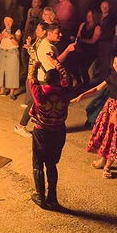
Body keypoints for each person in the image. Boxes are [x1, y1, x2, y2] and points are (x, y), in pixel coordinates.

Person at [72, 55, 117, 179]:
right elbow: (97, 88)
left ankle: (107, 165)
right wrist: (82, 95)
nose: (116, 65)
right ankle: (102, 160)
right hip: (109, 107)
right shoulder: (113, 75)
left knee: (115, 138)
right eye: (115, 63)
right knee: (105, 135)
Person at [28, 58, 74, 209]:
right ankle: (52, 197)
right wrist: (57, 63)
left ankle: (40, 197)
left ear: (45, 81)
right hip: (59, 131)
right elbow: (67, 76)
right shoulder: (66, 91)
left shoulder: (40, 93)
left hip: (42, 132)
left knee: (37, 164)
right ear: (59, 81)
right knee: (51, 164)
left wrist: (35, 65)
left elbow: (31, 78)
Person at [0, 16, 21, 100]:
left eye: (10, 21)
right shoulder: (0, 29)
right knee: (1, 70)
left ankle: (12, 92)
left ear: (13, 22)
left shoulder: (17, 31)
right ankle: (2, 90)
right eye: (6, 21)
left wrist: (10, 36)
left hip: (12, 52)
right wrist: (1, 36)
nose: (7, 23)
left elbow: (16, 43)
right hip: (2, 51)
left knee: (12, 71)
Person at [72, 9, 102, 87]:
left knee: (84, 69)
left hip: (90, 51)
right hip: (81, 49)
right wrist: (75, 40)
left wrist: (81, 39)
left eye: (90, 16)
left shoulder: (97, 27)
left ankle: (86, 85)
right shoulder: (83, 24)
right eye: (87, 15)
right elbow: (78, 35)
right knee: (74, 66)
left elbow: (93, 41)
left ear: (94, 17)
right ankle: (79, 82)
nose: (88, 17)